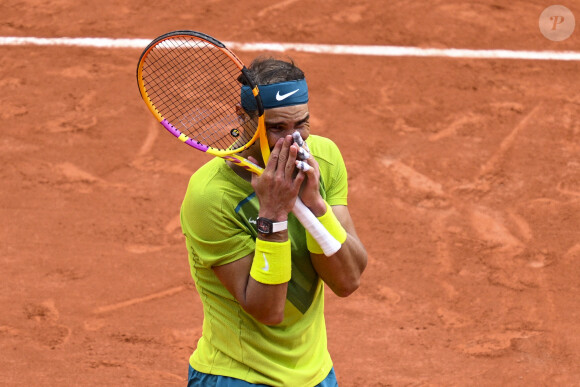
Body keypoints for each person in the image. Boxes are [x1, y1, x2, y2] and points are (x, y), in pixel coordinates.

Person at [181, 55, 367, 387]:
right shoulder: (210, 196)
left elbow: (348, 280)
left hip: (316, 375)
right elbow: (267, 311)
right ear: (244, 118)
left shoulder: (323, 157)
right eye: (277, 128)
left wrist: (316, 206)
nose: (293, 142)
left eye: (301, 125)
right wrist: (274, 214)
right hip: (237, 376)